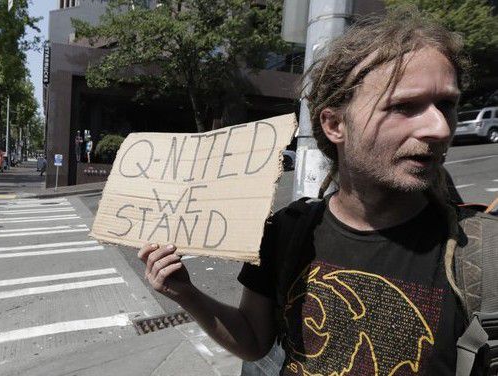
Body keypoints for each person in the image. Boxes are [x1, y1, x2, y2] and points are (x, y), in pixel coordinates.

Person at [138, 13, 496, 376]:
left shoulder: (486, 254)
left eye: (447, 105)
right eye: (403, 106)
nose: (439, 127)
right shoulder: (287, 232)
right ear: (334, 124)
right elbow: (254, 342)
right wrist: (185, 293)